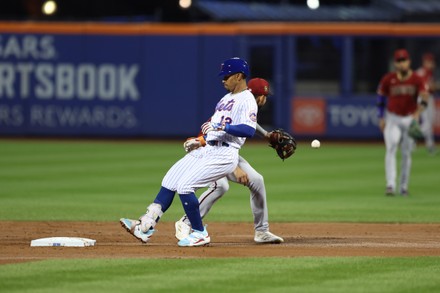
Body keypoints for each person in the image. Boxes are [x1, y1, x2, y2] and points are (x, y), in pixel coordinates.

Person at [120, 57, 259, 247]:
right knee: (170, 180)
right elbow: (213, 128)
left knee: (185, 187)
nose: (223, 80)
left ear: (239, 76)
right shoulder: (226, 98)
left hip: (225, 153)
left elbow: (248, 130)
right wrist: (200, 140)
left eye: (226, 76)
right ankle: (146, 225)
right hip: (209, 148)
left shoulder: (247, 99)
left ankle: (200, 233)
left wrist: (222, 127)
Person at [175, 78, 284, 244]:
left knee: (257, 181)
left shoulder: (244, 102)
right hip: (210, 151)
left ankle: (261, 231)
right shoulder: (240, 102)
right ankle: (186, 222)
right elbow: (216, 133)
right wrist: (233, 168)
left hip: (224, 151)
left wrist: (266, 135)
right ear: (259, 96)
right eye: (265, 95)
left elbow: (249, 124)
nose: (266, 99)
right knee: (220, 186)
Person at [376, 49, 429, 196]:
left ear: (409, 62)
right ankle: (390, 185)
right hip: (392, 118)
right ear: (395, 63)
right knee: (391, 148)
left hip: (409, 118)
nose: (401, 63)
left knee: (406, 153)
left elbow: (425, 98)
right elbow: (380, 99)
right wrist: (381, 117)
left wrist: (417, 115)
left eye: (403, 60)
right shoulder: (388, 79)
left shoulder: (417, 80)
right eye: (399, 61)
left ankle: (404, 186)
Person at [416, 53, 437, 154]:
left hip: (428, 98)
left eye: (432, 61)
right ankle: (412, 136)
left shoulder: (429, 73)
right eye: (429, 62)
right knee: (427, 124)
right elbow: (428, 88)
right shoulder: (422, 72)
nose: (432, 64)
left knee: (430, 122)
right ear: (425, 62)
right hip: (424, 98)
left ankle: (430, 145)